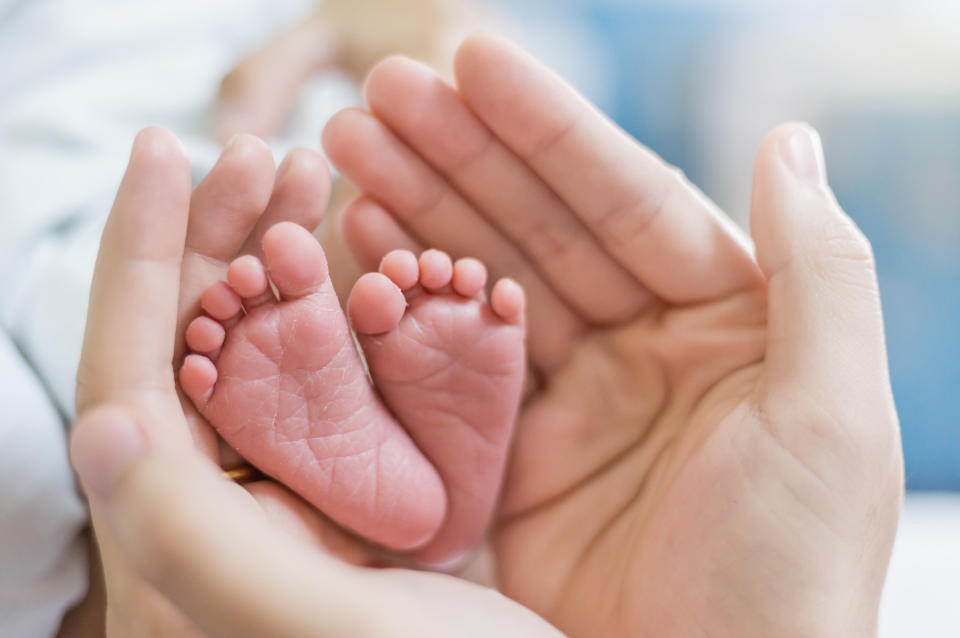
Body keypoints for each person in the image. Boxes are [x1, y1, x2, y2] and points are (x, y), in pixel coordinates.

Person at [69, 34, 903, 637]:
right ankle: (423, 489)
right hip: (305, 137)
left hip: (274, 136)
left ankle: (388, 462)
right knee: (358, 207)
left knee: (336, 226)